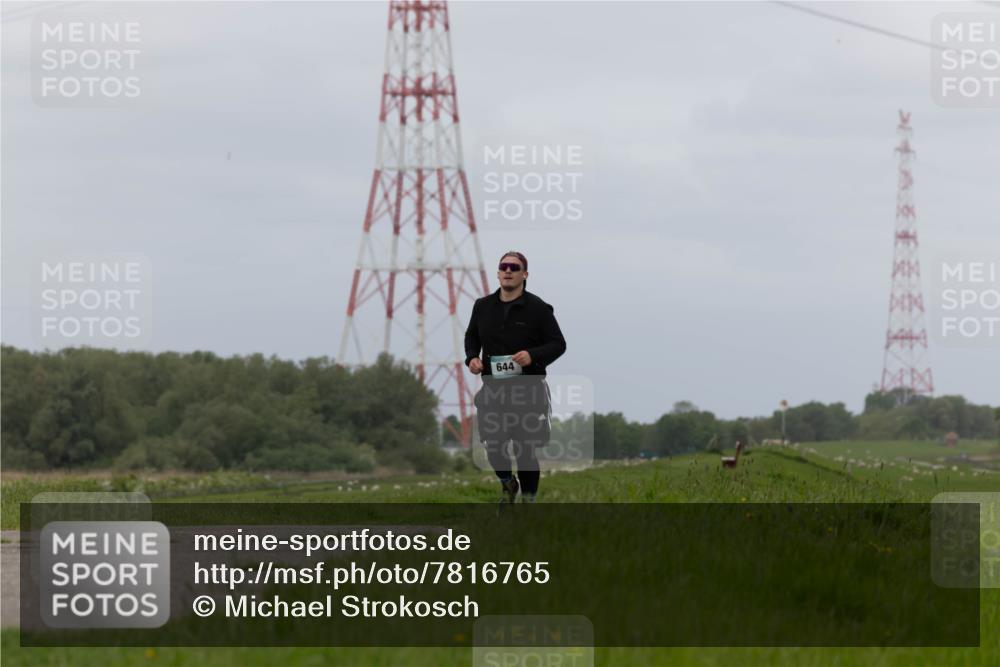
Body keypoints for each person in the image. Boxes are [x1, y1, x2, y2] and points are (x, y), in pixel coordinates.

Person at [464, 251, 567, 504]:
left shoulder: (538, 308)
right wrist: (472, 358)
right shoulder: (482, 306)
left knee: (524, 450)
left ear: (525, 274)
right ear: (498, 273)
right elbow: (471, 337)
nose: (508, 270)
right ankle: (507, 484)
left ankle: (529, 503)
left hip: (528, 389)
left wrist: (533, 355)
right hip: (493, 389)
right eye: (504, 266)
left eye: (514, 267)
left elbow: (558, 344)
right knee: (493, 445)